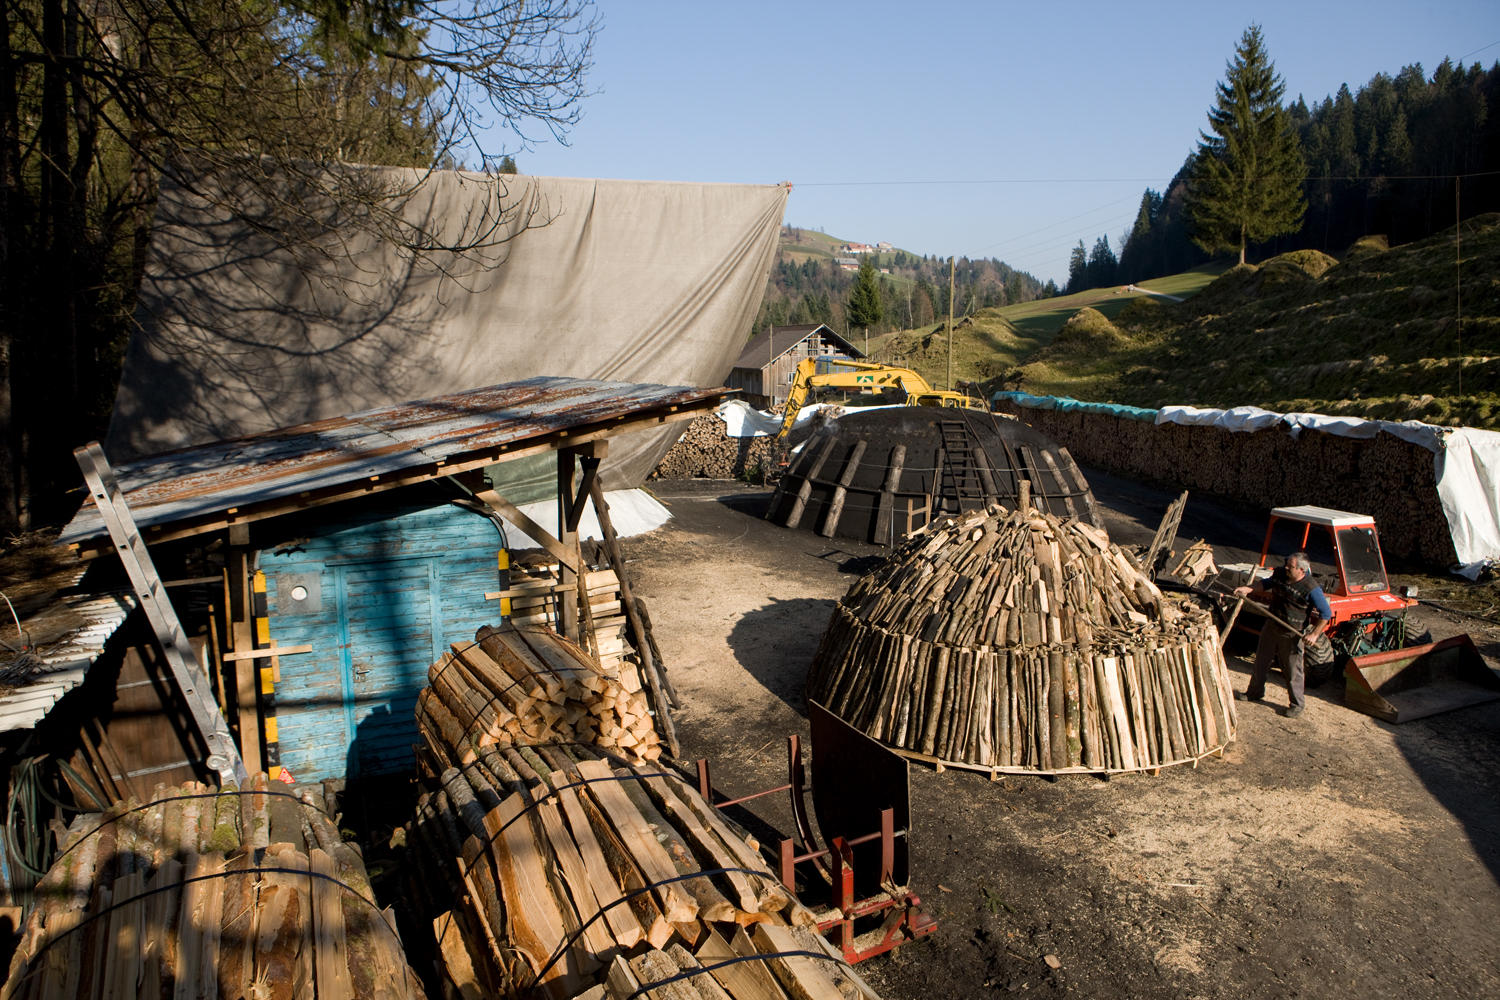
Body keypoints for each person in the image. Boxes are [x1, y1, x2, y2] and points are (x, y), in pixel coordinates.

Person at [1232, 551, 1332, 719]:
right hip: (1272, 625)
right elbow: (1266, 583)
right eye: (1287, 564)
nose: (1286, 568)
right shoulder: (1280, 573)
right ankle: (1254, 692)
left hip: (1291, 633)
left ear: (1301, 570)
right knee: (1261, 661)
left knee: (1293, 670)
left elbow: (1326, 614)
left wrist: (1314, 634)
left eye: (1291, 567)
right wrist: (1249, 589)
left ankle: (1297, 704)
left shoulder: (1311, 588)